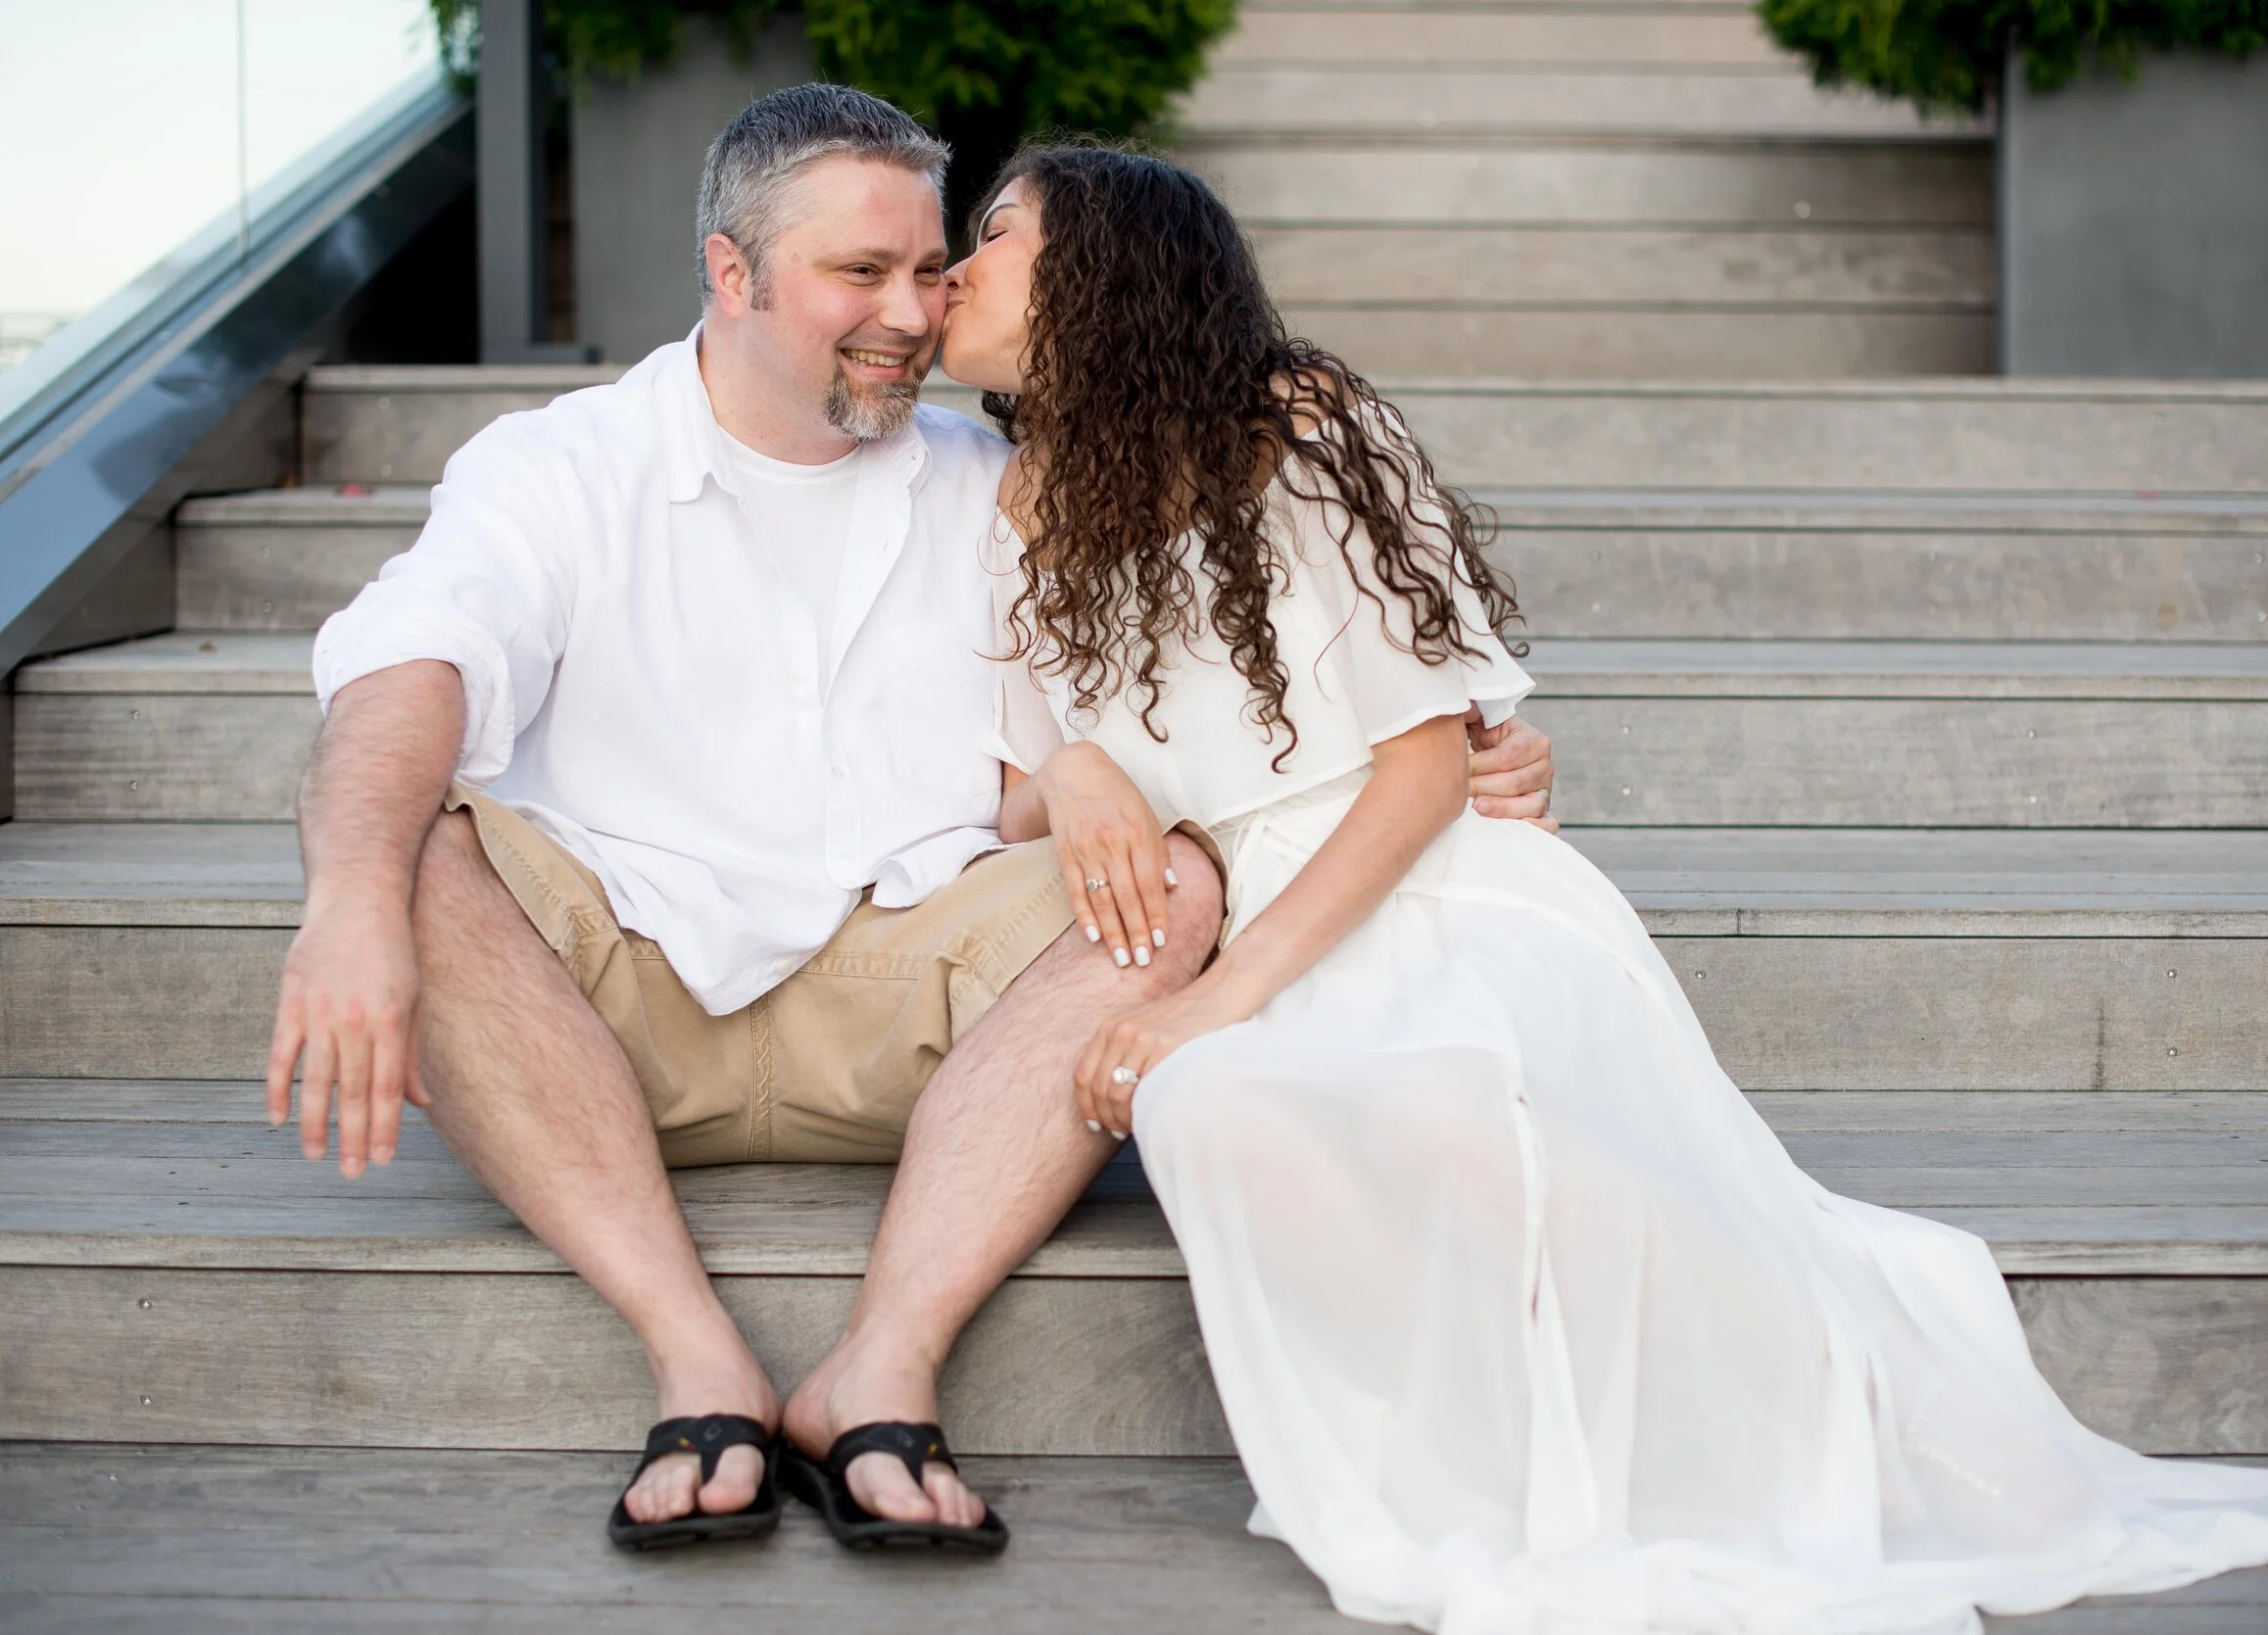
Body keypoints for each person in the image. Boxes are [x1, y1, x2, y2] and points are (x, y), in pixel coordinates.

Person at [941, 141, 2268, 1633]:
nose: (958, 265)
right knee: (1211, 1106)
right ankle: (1487, 1480)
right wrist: (1091, 781)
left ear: (1109, 271)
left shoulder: (1299, 421)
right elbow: (1024, 786)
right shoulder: (1020, 503)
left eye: (994, 236)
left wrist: (1225, 994)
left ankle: (1844, 1387)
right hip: (1252, 919)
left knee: (1440, 1113)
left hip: (1428, 887)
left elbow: (1431, 769)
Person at [269, 86, 1558, 1551]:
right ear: (732, 272)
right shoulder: (561, 467)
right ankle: (697, 1356)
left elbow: (1220, 684)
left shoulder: (1003, 486)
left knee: (1172, 889)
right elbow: (405, 667)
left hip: (907, 1002)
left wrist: (1452, 747)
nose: (911, 312)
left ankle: (883, 1361)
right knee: (411, 839)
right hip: (606, 1009)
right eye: (859, 274)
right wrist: (352, 905)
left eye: (931, 268)